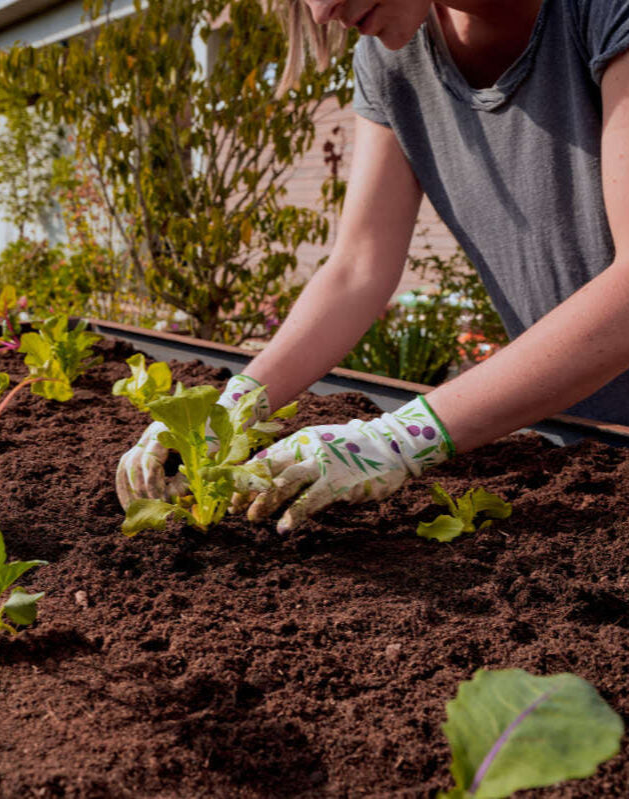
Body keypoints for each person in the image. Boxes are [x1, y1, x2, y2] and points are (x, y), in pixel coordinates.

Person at [117, 0, 629, 534]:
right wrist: (230, 408)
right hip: (584, 439)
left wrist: (401, 438)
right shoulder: (393, 57)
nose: (320, 11)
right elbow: (358, 268)